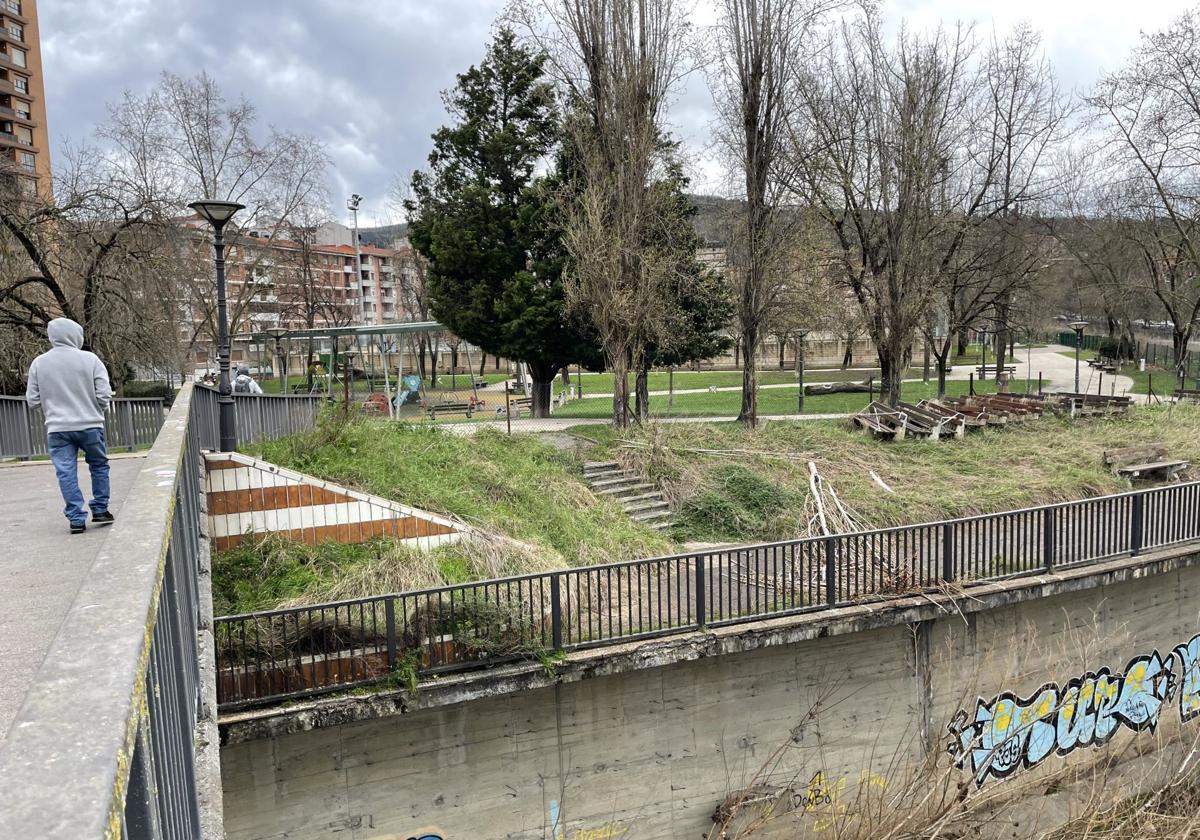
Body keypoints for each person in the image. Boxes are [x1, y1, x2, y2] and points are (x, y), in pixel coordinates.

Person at [25, 318, 115, 534]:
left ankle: (76, 518)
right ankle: (100, 509)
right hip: (90, 424)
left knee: (66, 472)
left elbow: (33, 400)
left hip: (57, 427)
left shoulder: (39, 363)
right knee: (99, 465)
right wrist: (95, 410)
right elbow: (104, 394)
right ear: (76, 335)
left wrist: (51, 411)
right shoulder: (90, 360)